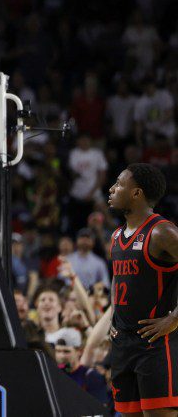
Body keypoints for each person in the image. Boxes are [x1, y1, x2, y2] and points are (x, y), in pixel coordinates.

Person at [106, 163, 178, 415]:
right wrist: (114, 317)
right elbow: (118, 279)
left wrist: (174, 318)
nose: (112, 189)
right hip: (123, 344)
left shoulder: (163, 232)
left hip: (156, 345)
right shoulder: (116, 236)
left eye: (119, 184)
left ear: (136, 193)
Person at [51, 328, 108, 403]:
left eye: (66, 351)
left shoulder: (91, 376)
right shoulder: (52, 374)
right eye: (58, 351)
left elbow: (100, 409)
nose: (61, 356)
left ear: (79, 351)